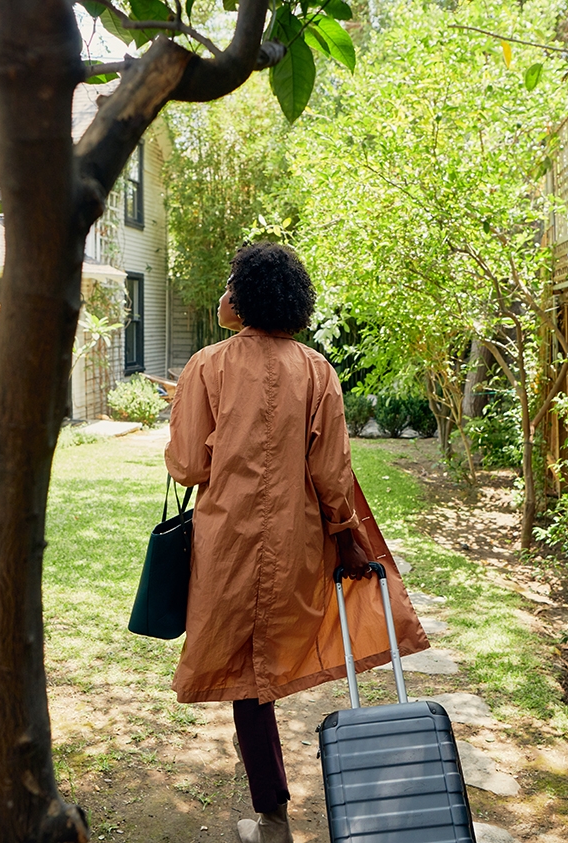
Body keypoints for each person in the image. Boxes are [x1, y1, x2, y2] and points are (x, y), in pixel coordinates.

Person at [164, 242, 428, 843]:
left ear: (240, 297)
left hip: (226, 545)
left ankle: (272, 815)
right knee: (263, 666)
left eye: (232, 287)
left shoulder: (206, 366)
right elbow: (332, 477)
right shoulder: (316, 370)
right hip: (297, 543)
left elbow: (186, 466)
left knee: (247, 673)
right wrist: (349, 539)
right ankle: (270, 803)